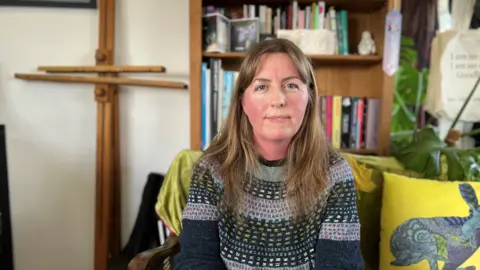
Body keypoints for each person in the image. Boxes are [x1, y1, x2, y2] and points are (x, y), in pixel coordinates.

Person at [174, 38, 364, 269]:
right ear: (243, 101)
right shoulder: (211, 169)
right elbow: (196, 260)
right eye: (262, 86)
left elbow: (339, 265)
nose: (279, 100)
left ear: (310, 97)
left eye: (291, 85)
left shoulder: (335, 173)